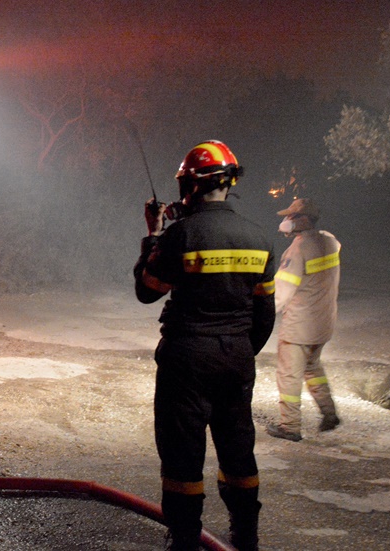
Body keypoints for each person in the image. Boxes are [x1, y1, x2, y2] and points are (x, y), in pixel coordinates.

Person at [134, 140, 276, 551]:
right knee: (237, 449)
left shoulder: (181, 235)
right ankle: (245, 536)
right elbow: (264, 315)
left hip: (187, 360)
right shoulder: (259, 238)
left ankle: (184, 540)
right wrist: (239, 350)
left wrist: (153, 236)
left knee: (182, 454)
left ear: (190, 186)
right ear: (228, 184)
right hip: (236, 357)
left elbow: (148, 291)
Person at [265, 198, 341, 442]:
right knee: (313, 368)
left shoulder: (297, 250)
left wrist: (260, 315)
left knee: (288, 375)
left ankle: (290, 426)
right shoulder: (329, 241)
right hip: (323, 323)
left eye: (291, 217)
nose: (286, 221)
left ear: (304, 220)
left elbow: (282, 292)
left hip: (299, 326)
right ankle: (329, 413)